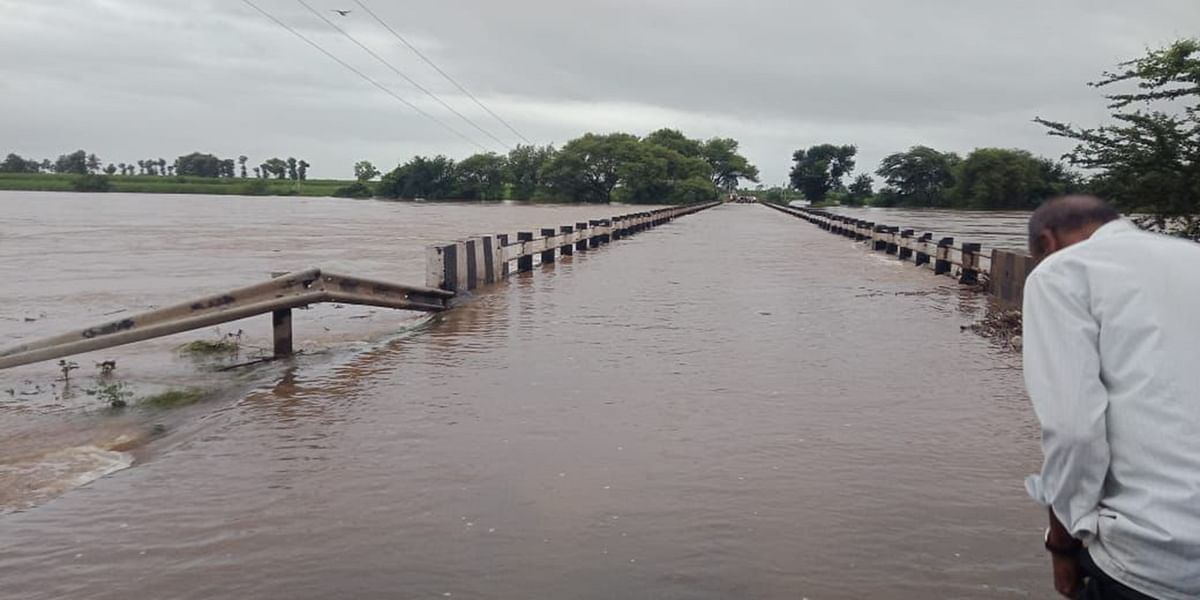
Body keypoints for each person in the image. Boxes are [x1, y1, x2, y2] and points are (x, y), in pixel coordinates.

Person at [1022, 195, 1200, 599]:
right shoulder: (1193, 254)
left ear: (1047, 243)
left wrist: (1062, 545)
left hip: (1159, 555)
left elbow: (1073, 433)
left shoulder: (1061, 272)